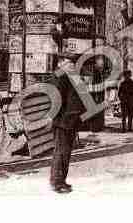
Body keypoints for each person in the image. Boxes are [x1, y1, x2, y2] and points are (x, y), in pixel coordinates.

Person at [48, 52, 84, 194]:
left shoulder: (70, 76)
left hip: (70, 121)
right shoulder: (60, 77)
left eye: (73, 63)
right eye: (70, 62)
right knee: (61, 152)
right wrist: (54, 118)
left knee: (66, 153)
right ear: (62, 62)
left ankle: (61, 180)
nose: (72, 65)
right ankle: (57, 182)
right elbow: (56, 99)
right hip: (62, 121)